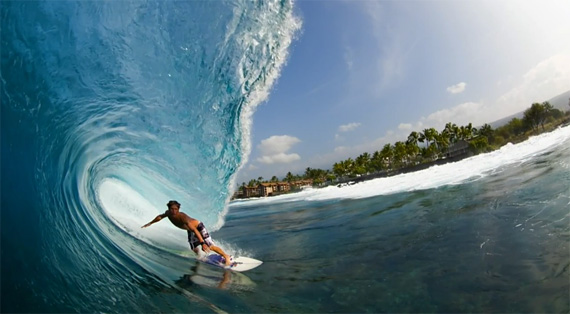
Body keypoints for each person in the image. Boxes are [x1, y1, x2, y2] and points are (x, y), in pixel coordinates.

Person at [141, 200, 232, 266]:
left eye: (176, 209)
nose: (174, 211)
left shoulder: (183, 217)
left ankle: (225, 256)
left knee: (209, 246)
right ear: (169, 209)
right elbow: (160, 217)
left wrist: (202, 243)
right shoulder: (168, 213)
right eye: (172, 209)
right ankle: (201, 256)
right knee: (193, 248)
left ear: (179, 209)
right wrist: (150, 223)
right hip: (189, 230)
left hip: (198, 227)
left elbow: (195, 230)